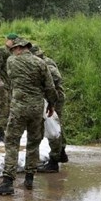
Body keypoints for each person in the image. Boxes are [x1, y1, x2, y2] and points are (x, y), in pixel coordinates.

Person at [0, 38, 57, 195]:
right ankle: (29, 179)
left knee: (12, 142)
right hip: (36, 109)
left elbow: (11, 79)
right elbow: (50, 87)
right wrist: (51, 105)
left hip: (18, 108)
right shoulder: (41, 63)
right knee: (34, 143)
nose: (12, 51)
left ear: (19, 48)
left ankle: (7, 181)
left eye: (14, 49)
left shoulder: (11, 61)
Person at [32, 45, 68, 173]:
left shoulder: (45, 63)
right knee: (57, 128)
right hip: (52, 98)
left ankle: (54, 161)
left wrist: (45, 85)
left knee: (53, 129)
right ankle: (61, 152)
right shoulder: (44, 62)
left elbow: (57, 78)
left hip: (53, 99)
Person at [0, 33, 17, 142]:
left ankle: (6, 131)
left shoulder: (13, 52)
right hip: (2, 86)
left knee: (8, 109)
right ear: (9, 40)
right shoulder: (2, 50)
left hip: (10, 85)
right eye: (13, 41)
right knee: (1, 109)